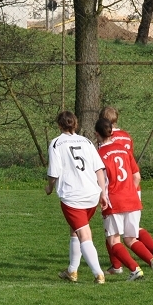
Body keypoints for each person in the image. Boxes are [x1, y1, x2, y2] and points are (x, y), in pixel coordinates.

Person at [95, 118, 153, 281]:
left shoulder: (98, 154)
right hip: (132, 198)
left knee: (114, 240)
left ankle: (135, 269)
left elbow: (98, 179)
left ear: (97, 134)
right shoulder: (123, 149)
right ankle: (152, 260)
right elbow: (137, 176)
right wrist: (129, 192)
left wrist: (104, 196)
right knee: (131, 238)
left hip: (114, 199)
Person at [46, 111, 109, 284]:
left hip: (73, 196)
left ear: (59, 125)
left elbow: (54, 172)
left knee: (84, 234)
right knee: (75, 229)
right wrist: (103, 192)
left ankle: (98, 274)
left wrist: (49, 187)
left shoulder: (56, 143)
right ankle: (72, 271)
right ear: (75, 124)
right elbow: (99, 169)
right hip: (92, 193)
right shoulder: (87, 141)